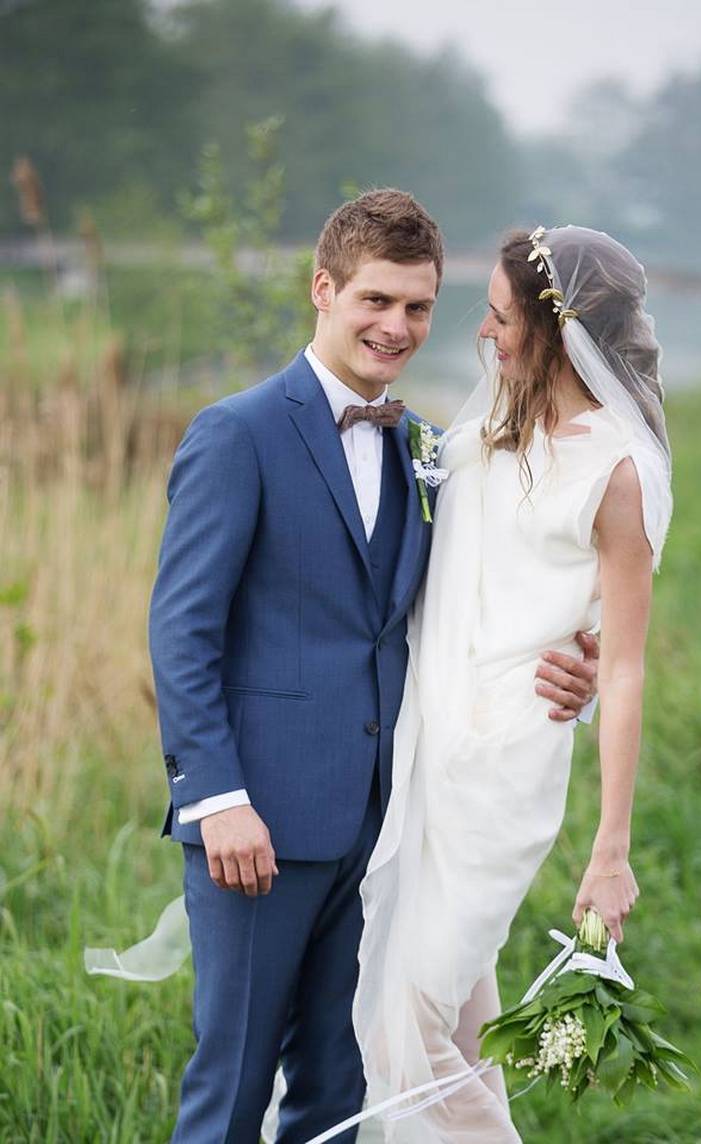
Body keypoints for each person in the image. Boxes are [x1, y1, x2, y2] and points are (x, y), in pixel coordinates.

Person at [89, 192, 598, 1144]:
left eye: (417, 307)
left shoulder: (428, 449)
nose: (396, 326)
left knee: (339, 1094)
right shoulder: (237, 433)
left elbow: (475, 608)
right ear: (322, 289)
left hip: (388, 827)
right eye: (376, 300)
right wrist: (216, 799)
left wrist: (573, 668)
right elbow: (182, 632)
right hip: (256, 827)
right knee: (232, 1090)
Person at [342, 224, 673, 1143]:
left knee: (401, 1025)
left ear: (557, 330)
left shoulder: (617, 470)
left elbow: (627, 664)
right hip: (421, 738)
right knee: (452, 1027)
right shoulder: (495, 422)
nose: (482, 333)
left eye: (499, 317)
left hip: (500, 765)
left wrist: (611, 851)